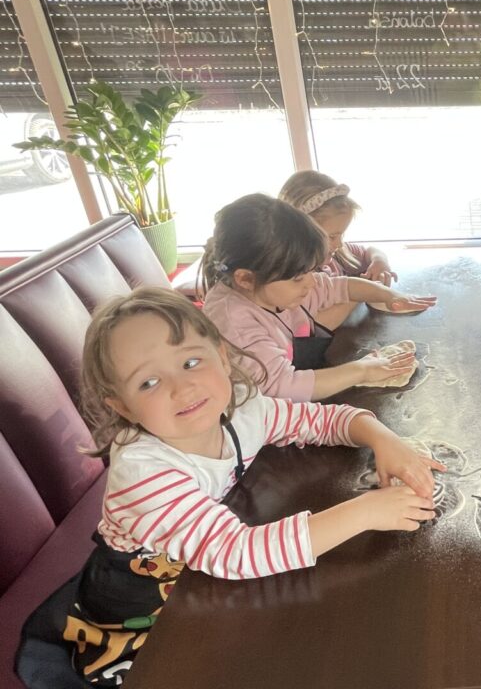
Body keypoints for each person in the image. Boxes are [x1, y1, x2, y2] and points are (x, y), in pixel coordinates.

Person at [16, 287, 441, 688]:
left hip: (206, 574)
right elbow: (236, 553)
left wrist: (383, 439)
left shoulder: (239, 406)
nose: (183, 387)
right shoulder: (143, 474)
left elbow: (317, 421)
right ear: (123, 406)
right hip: (142, 604)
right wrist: (366, 511)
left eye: (190, 362)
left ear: (221, 355)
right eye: (149, 382)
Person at [201, 194, 436, 401]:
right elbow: (282, 387)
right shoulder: (234, 323)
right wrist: (362, 370)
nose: (312, 283)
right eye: (298, 278)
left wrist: (389, 294)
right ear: (245, 279)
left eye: (312, 271)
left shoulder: (274, 284)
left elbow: (339, 286)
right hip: (259, 417)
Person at [280, 170, 396, 326]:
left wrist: (379, 262)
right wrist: (360, 292)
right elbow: (311, 326)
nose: (340, 244)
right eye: (332, 236)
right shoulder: (292, 282)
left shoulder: (338, 255)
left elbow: (370, 251)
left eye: (342, 234)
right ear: (299, 233)